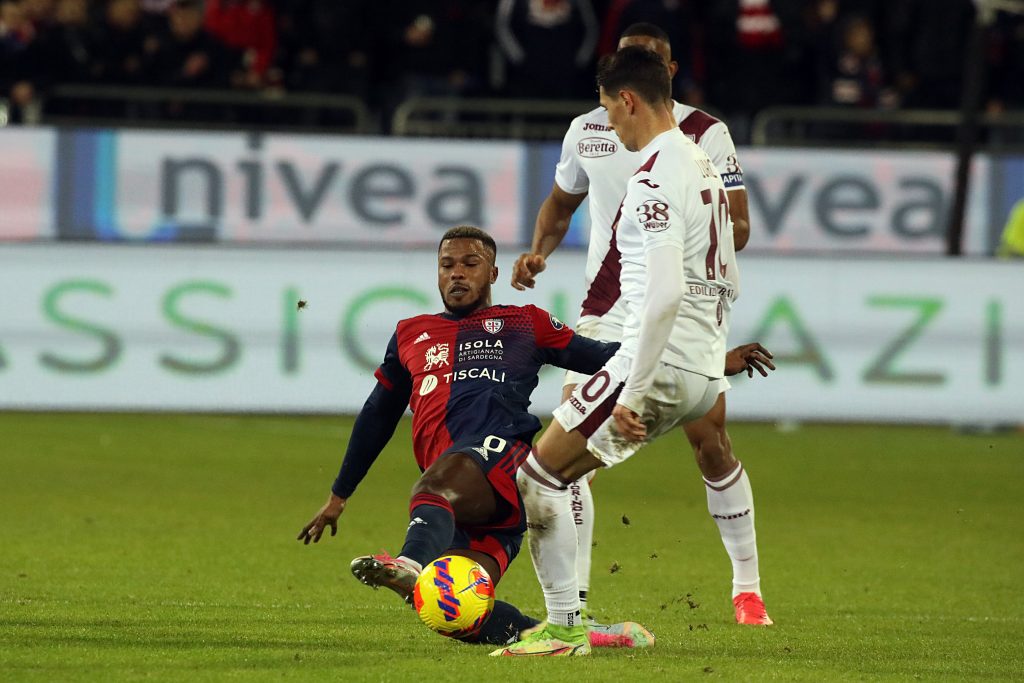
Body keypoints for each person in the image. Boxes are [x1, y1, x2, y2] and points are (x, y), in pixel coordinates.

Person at [494, 45, 765, 657]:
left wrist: (634, 391)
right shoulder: (701, 161)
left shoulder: (654, 173)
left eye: (610, 115)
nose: (609, 129)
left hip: (654, 363)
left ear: (628, 100)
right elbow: (726, 280)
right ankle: (582, 625)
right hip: (697, 369)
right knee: (561, 474)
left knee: (536, 476)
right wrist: (708, 357)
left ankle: (565, 630)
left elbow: (665, 292)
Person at [296, 225, 655, 648]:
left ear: (493, 274)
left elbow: (608, 359)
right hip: (469, 502)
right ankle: (589, 637)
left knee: (434, 487)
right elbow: (377, 414)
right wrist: (339, 496)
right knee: (450, 609)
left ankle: (411, 561)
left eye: (470, 264)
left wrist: (707, 362)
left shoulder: (526, 322)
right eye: (447, 265)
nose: (457, 274)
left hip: (502, 460)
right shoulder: (412, 332)